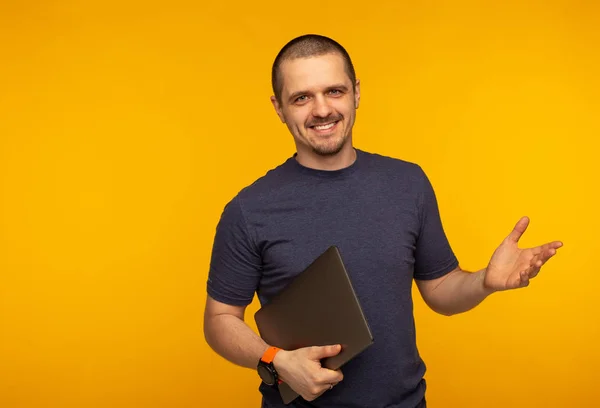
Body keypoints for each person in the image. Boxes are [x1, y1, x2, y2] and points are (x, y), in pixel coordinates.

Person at [203, 34, 563, 408]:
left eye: (334, 91)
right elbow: (219, 319)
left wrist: (484, 281)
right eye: (302, 97)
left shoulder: (408, 184)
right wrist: (275, 363)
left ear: (356, 92)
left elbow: (440, 291)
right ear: (279, 108)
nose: (322, 110)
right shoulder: (249, 209)